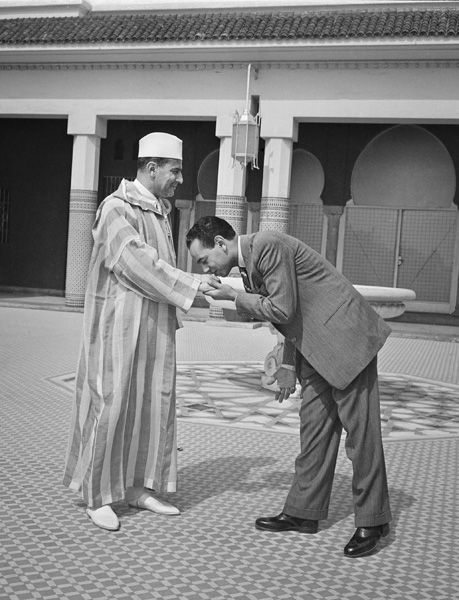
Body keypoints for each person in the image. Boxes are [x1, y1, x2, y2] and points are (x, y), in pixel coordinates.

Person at [186, 216, 392, 558]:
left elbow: (281, 309)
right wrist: (287, 366)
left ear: (221, 243)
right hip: (315, 346)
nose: (206, 268)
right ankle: (303, 512)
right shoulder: (250, 262)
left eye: (204, 259)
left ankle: (374, 520)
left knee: (362, 436)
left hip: (347, 340)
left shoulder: (267, 245)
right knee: (314, 430)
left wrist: (233, 297)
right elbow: (291, 315)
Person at [63, 133, 217, 531]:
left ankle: (136, 487)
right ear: (151, 168)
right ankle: (97, 495)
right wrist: (194, 284)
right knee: (111, 404)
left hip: (154, 327)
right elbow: (136, 262)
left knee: (150, 404)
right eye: (175, 170)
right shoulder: (116, 208)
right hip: (118, 326)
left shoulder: (160, 211)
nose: (180, 179)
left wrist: (191, 288)